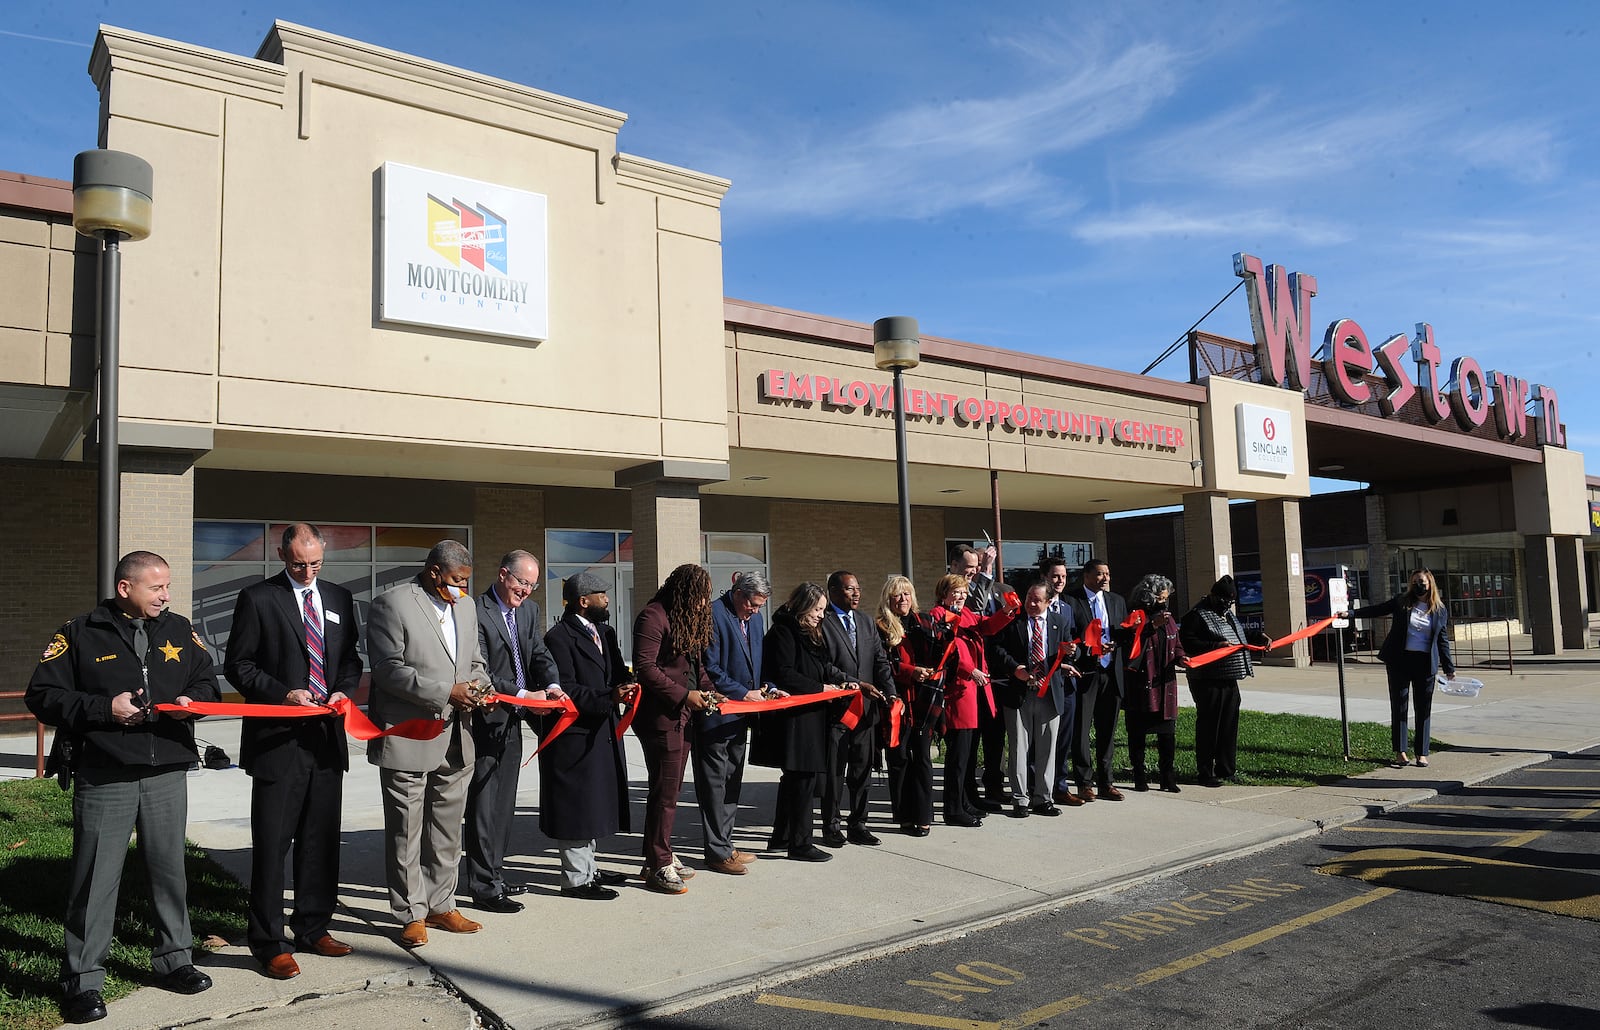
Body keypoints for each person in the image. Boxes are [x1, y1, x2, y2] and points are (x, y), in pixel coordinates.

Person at [26, 550, 221, 1024]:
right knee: (94, 880)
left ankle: (176, 960)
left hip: (166, 770)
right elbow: (43, 695)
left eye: (167, 586)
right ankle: (82, 981)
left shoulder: (179, 630)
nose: (166, 595)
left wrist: (193, 702)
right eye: (156, 587)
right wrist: (101, 709)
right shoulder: (78, 632)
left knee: (169, 870)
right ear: (125, 588)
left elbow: (208, 683)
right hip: (105, 771)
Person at [225, 523, 363, 980]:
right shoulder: (258, 599)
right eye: (298, 563)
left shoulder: (341, 599)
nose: (307, 571)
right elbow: (238, 666)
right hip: (278, 742)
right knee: (272, 845)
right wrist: (284, 694)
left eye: (315, 563)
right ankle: (268, 942)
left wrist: (343, 692)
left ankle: (314, 926)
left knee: (319, 842)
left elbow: (350, 661)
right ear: (282, 555)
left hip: (326, 739)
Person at [366, 539, 488, 948]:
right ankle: (410, 913)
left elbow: (475, 661)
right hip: (410, 733)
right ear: (434, 572)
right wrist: (444, 692)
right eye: (456, 580)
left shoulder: (467, 608)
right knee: (405, 830)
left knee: (447, 829)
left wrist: (479, 687)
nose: (462, 589)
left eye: (466, 582)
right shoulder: (393, 604)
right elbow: (388, 670)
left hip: (458, 734)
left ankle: (441, 905)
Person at [464, 550, 561, 913]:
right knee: (484, 805)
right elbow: (482, 668)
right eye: (522, 583)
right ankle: (483, 885)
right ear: (504, 574)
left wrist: (551, 684)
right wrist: (523, 694)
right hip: (486, 718)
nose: (526, 591)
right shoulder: (477, 611)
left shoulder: (529, 611)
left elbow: (537, 652)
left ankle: (495, 874)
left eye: (533, 586)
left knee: (504, 804)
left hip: (514, 721)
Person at [541, 573, 637, 899]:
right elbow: (564, 688)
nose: (607, 600)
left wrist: (628, 684)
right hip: (575, 734)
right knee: (576, 807)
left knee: (595, 803)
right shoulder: (559, 637)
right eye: (602, 594)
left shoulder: (604, 633)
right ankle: (576, 880)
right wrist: (609, 697)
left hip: (602, 730)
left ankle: (590, 869)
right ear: (584, 600)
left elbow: (616, 672)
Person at [632, 563, 719, 894]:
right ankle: (659, 863)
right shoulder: (653, 616)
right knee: (665, 791)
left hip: (685, 715)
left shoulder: (687, 620)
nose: (703, 603)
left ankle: (658, 854)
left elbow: (697, 668)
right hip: (661, 717)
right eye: (699, 596)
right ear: (683, 592)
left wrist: (710, 691)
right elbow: (645, 668)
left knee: (669, 790)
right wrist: (685, 696)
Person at [755, 582, 852, 861]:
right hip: (793, 719)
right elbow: (784, 673)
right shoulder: (783, 632)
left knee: (798, 779)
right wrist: (822, 689)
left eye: (823, 610)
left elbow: (821, 668)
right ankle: (800, 843)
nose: (821, 614)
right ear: (804, 605)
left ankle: (781, 838)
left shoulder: (810, 633)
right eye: (818, 609)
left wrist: (839, 682)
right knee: (802, 778)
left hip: (813, 715)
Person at [927, 574, 1018, 827]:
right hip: (957, 692)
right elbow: (950, 650)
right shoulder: (937, 615)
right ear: (943, 593)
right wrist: (970, 670)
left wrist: (1008, 611)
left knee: (966, 756)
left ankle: (964, 801)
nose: (960, 596)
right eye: (955, 592)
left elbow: (987, 626)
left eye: (963, 592)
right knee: (957, 756)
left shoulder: (966, 613)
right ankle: (953, 809)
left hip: (973, 692)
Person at [697, 571, 770, 875]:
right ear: (738, 593)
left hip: (742, 714)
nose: (754, 611)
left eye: (759, 607)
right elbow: (710, 667)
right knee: (714, 785)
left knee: (732, 780)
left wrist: (767, 686)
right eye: (752, 604)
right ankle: (716, 852)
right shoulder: (714, 614)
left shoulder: (755, 619)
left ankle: (725, 844)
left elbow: (758, 661)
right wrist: (743, 693)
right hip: (717, 713)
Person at [1348, 570, 1456, 768]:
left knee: (1423, 710)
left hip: (1425, 664)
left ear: (1430, 583)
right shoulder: (1402, 602)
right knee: (1399, 707)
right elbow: (1378, 609)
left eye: (1421, 582)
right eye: (1414, 582)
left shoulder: (1439, 610)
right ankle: (1400, 752)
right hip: (1399, 661)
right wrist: (1352, 613)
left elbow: (1442, 640)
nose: (1418, 585)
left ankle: (1422, 753)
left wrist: (1449, 667)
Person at [819, 570, 897, 847]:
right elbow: (824, 665)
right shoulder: (823, 621)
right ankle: (831, 826)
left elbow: (880, 660)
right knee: (835, 771)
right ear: (833, 591)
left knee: (862, 770)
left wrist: (890, 692)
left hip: (866, 711)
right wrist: (854, 684)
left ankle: (859, 824)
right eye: (850, 589)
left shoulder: (865, 622)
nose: (856, 594)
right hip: (837, 710)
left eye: (858, 589)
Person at [987, 581, 1077, 817]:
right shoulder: (1013, 619)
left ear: (1049, 602)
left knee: (1047, 749)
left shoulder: (1060, 622)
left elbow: (1065, 653)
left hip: (1049, 694)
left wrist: (1070, 654)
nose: (1031, 604)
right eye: (1028, 598)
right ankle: (1020, 799)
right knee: (1018, 747)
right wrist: (1014, 668)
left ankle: (1043, 799)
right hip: (1019, 693)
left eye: (1037, 600)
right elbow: (995, 648)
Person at [1179, 575, 1268, 787]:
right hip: (1207, 679)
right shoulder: (1197, 615)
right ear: (1213, 596)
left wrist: (1259, 636)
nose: (1227, 605)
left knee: (1228, 725)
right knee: (1210, 726)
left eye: (1230, 601)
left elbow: (1238, 634)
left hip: (1229, 677)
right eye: (1223, 600)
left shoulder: (1227, 614)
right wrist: (1214, 646)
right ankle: (1205, 772)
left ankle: (1226, 769)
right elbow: (1188, 641)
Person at [1062, 558, 1129, 802]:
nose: (1105, 578)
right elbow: (1069, 635)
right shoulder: (1071, 600)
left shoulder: (1116, 601)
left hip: (1111, 674)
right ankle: (1084, 782)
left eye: (1108, 574)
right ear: (1087, 576)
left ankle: (1106, 781)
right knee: (1081, 730)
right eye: (1100, 574)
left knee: (1107, 730)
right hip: (1085, 674)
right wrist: (1090, 649)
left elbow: (1124, 634)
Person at [877, 575, 935, 836]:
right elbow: (881, 665)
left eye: (907, 594)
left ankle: (923, 816)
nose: (903, 599)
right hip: (896, 701)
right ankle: (904, 815)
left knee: (922, 758)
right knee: (899, 759)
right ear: (888, 599)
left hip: (923, 702)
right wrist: (910, 671)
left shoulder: (924, 623)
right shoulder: (881, 626)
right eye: (898, 595)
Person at [1121, 574, 1189, 793]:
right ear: (1149, 597)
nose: (1165, 602)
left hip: (1165, 684)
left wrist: (1181, 657)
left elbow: (1176, 642)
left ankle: (1167, 777)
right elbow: (1130, 643)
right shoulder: (1136, 616)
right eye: (1161, 598)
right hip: (1142, 683)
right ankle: (1140, 776)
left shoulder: (1168, 619)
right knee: (1138, 733)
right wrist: (1150, 625)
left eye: (1166, 598)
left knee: (1167, 734)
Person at [950, 545, 1005, 810]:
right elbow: (974, 607)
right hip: (965, 681)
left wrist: (1007, 613)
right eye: (969, 567)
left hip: (989, 677)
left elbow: (983, 624)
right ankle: (963, 798)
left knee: (992, 736)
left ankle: (985, 790)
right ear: (953, 567)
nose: (973, 572)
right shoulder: (952, 596)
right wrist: (986, 573)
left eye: (977, 566)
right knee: (964, 748)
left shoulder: (994, 587)